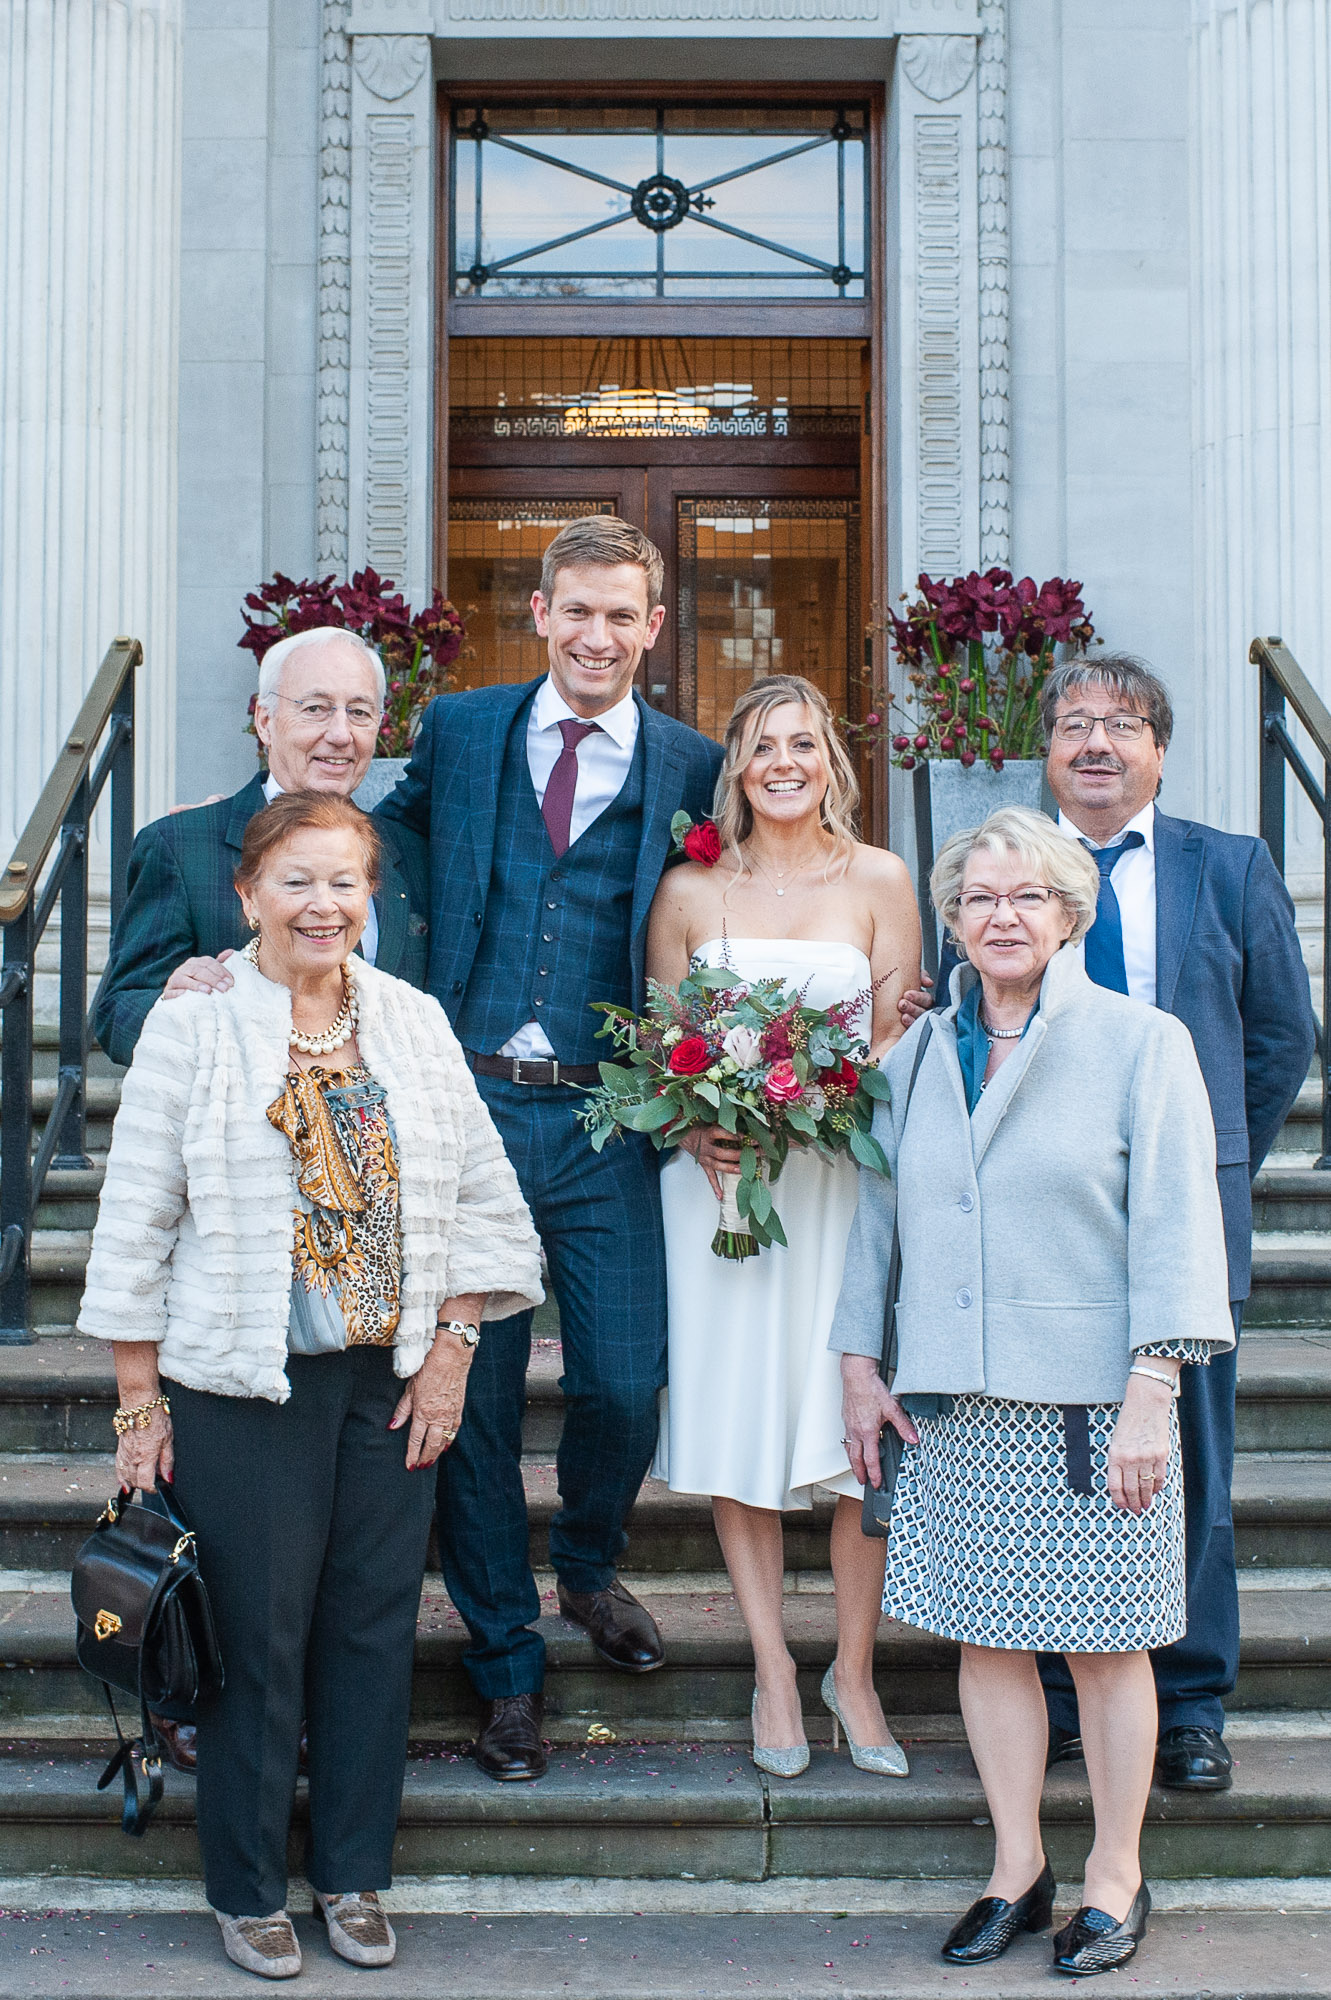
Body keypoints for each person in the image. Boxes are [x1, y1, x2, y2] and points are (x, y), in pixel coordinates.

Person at [78, 792, 543, 1981]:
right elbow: (136, 1218)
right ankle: (244, 1885)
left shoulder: (415, 1021)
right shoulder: (196, 1026)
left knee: (372, 1629)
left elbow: (487, 1201)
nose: (322, 905)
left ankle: (351, 1869)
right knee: (254, 1637)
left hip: (384, 1383)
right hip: (243, 1387)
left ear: (369, 897)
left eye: (344, 882)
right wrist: (140, 1400)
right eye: (296, 881)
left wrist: (453, 1346)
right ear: (247, 896)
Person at [898, 656, 1316, 1789]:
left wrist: (1201, 1159)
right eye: (1073, 723)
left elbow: (1280, 1034)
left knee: (1184, 1466)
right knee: (1041, 1476)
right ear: (1044, 749)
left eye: (1120, 724)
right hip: (1033, 1248)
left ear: (1158, 748)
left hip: (1180, 1230)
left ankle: (1184, 1698)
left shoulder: (1224, 866)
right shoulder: (999, 881)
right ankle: (1056, 1692)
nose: (1094, 742)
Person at [837, 806, 1234, 1973]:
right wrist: (861, 1363)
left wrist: (1152, 1387)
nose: (1000, 916)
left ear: (1069, 913)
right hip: (952, 1399)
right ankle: (1017, 1865)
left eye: (1026, 897)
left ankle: (1115, 1871)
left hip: (1090, 1407)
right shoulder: (913, 1055)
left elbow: (1175, 1221)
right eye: (978, 898)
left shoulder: (1136, 1039)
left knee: (1107, 1644)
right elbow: (878, 1222)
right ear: (949, 921)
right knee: (985, 1641)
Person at [376, 516, 723, 1782]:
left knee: (626, 1377)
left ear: (651, 626)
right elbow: (374, 853)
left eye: (620, 614)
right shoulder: (462, 732)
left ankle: (583, 1561)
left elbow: (741, 898)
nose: (595, 635)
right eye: (574, 610)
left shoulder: (694, 762)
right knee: (469, 1410)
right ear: (538, 612)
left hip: (605, 1114)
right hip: (463, 1105)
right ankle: (506, 1666)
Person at [645, 674, 921, 1777]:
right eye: (762, 745)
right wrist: (692, 1127)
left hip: (842, 1179)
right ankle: (770, 1667)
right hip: (723, 1192)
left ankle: (849, 1669)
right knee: (737, 1412)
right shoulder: (687, 888)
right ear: (736, 765)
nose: (784, 762)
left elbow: (904, 1029)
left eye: (802, 743)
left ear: (831, 759)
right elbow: (665, 1049)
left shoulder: (878, 877)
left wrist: (829, 1095)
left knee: (853, 1430)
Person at [93, 627, 431, 1068]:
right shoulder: (181, 847)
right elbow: (117, 1013)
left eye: (360, 713)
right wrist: (182, 1009)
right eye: (316, 709)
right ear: (265, 722)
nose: (341, 734)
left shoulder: (408, 850)